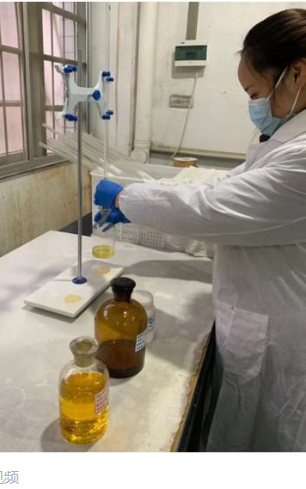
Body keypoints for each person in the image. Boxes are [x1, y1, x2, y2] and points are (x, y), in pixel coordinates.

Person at [93, 9, 306, 451]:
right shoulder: (282, 142)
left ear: (297, 73)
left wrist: (125, 199)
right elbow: (221, 193)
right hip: (260, 312)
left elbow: (214, 210)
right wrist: (141, 207)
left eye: (255, 92)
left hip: (282, 333)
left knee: (270, 436)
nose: (254, 105)